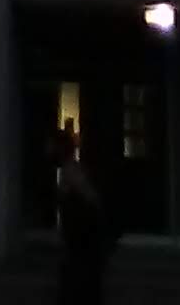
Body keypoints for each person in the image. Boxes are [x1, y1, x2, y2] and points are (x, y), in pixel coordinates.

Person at [54, 124, 113, 303]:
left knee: (80, 283)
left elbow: (91, 198)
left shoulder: (72, 171)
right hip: (78, 243)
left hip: (81, 242)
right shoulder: (68, 171)